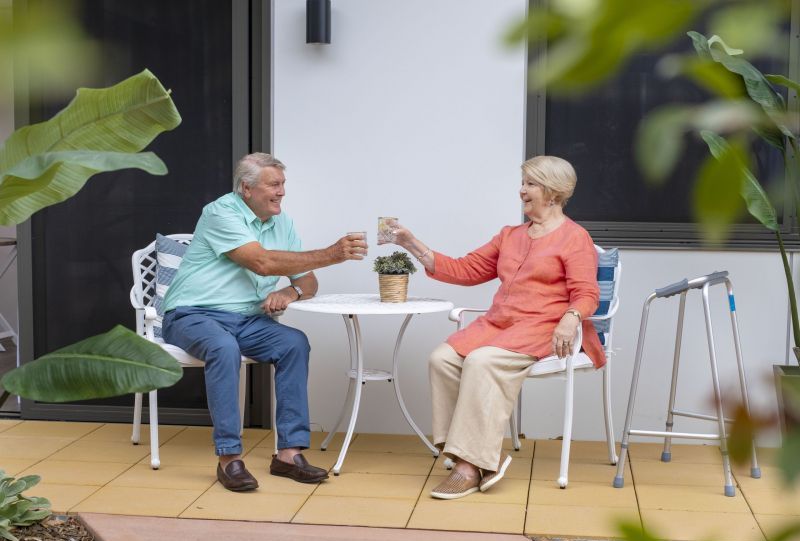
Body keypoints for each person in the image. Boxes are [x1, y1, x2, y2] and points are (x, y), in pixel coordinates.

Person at [387, 156, 603, 499]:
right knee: (442, 358)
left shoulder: (574, 238)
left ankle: (471, 466)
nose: (522, 191)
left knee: (481, 361)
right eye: (523, 183)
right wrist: (411, 244)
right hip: (498, 325)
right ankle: (462, 450)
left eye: (530, 184)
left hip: (543, 326)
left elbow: (587, 293)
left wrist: (570, 317)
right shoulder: (510, 236)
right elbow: (464, 270)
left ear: (552, 192)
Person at [162, 153, 367, 492]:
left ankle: (288, 455)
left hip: (247, 319)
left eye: (283, 184)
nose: (282, 192)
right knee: (222, 347)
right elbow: (261, 262)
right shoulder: (220, 212)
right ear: (246, 188)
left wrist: (291, 293)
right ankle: (229, 458)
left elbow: (309, 281)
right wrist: (333, 254)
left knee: (293, 343)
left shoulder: (282, 223)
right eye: (274, 184)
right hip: (192, 314)